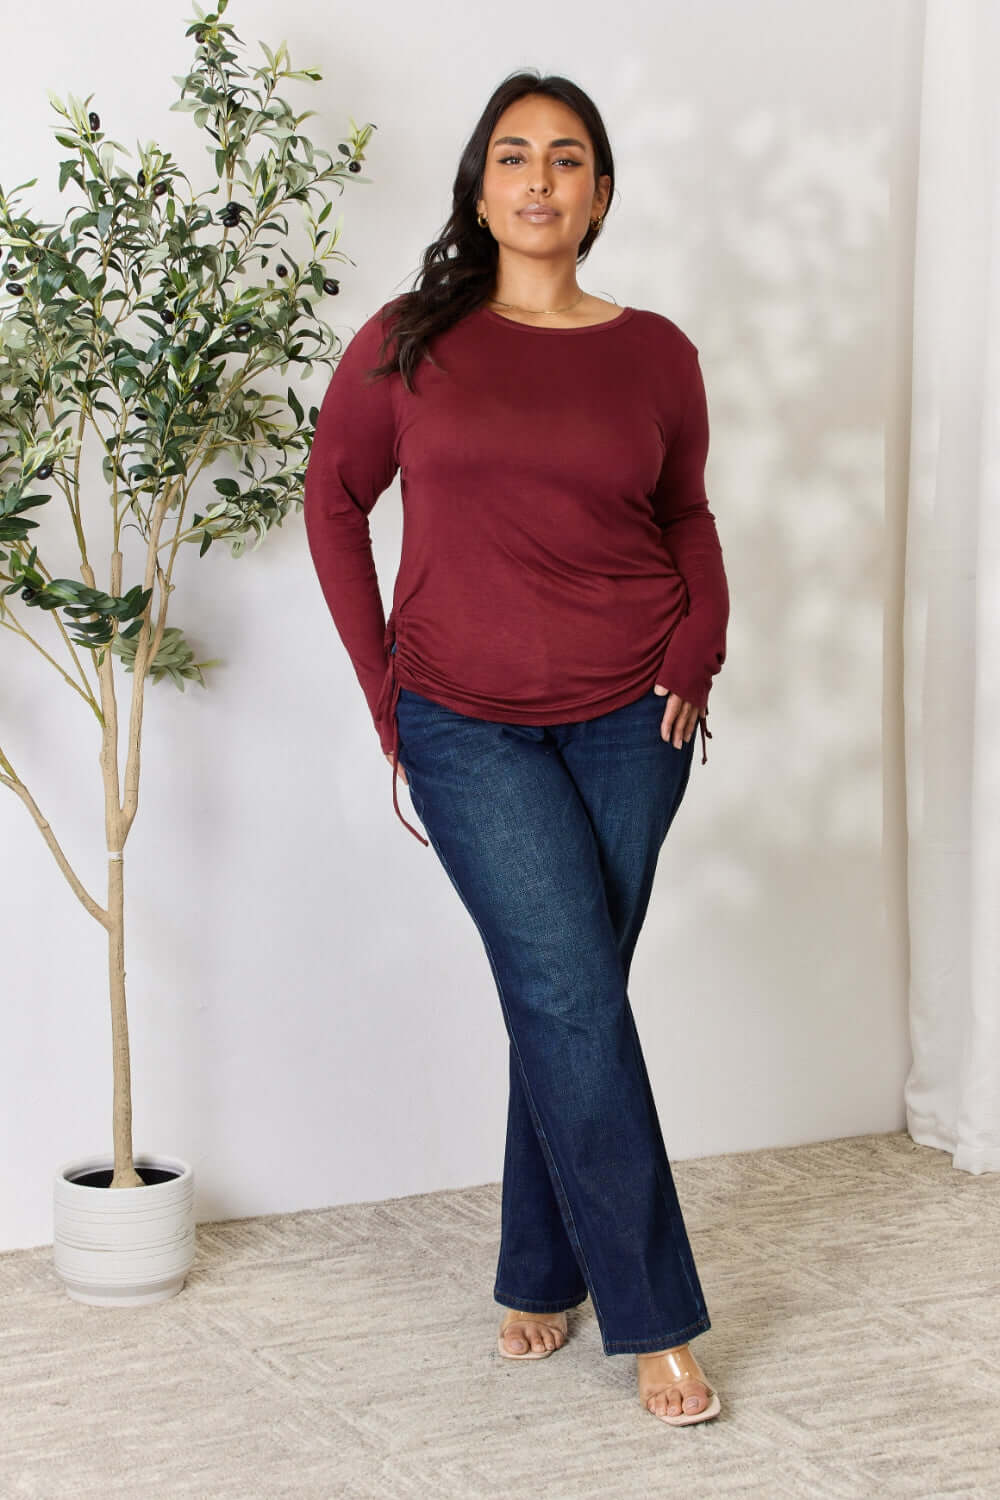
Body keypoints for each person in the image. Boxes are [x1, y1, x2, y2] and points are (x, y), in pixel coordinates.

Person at [303, 69, 729, 1428]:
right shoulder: (407, 345)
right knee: (568, 994)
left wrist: (696, 649)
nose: (539, 178)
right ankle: (657, 1317)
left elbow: (689, 519)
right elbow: (333, 502)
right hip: (463, 718)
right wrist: (385, 695)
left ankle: (540, 1266)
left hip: (635, 717)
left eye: (566, 158)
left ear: (601, 193)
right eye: (512, 156)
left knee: (571, 994)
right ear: (480, 191)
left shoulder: (656, 350)